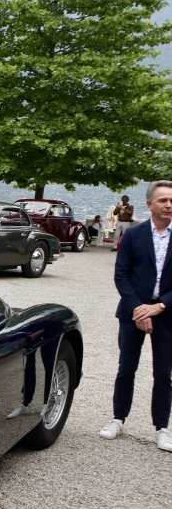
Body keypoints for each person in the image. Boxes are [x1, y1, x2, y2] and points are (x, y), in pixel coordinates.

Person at [100, 180, 172, 452]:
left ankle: (162, 427)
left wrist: (159, 307)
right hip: (133, 313)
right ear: (150, 204)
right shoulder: (133, 234)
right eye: (163, 200)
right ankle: (118, 418)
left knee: (163, 372)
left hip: (166, 314)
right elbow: (121, 274)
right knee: (126, 369)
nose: (168, 205)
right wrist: (138, 308)